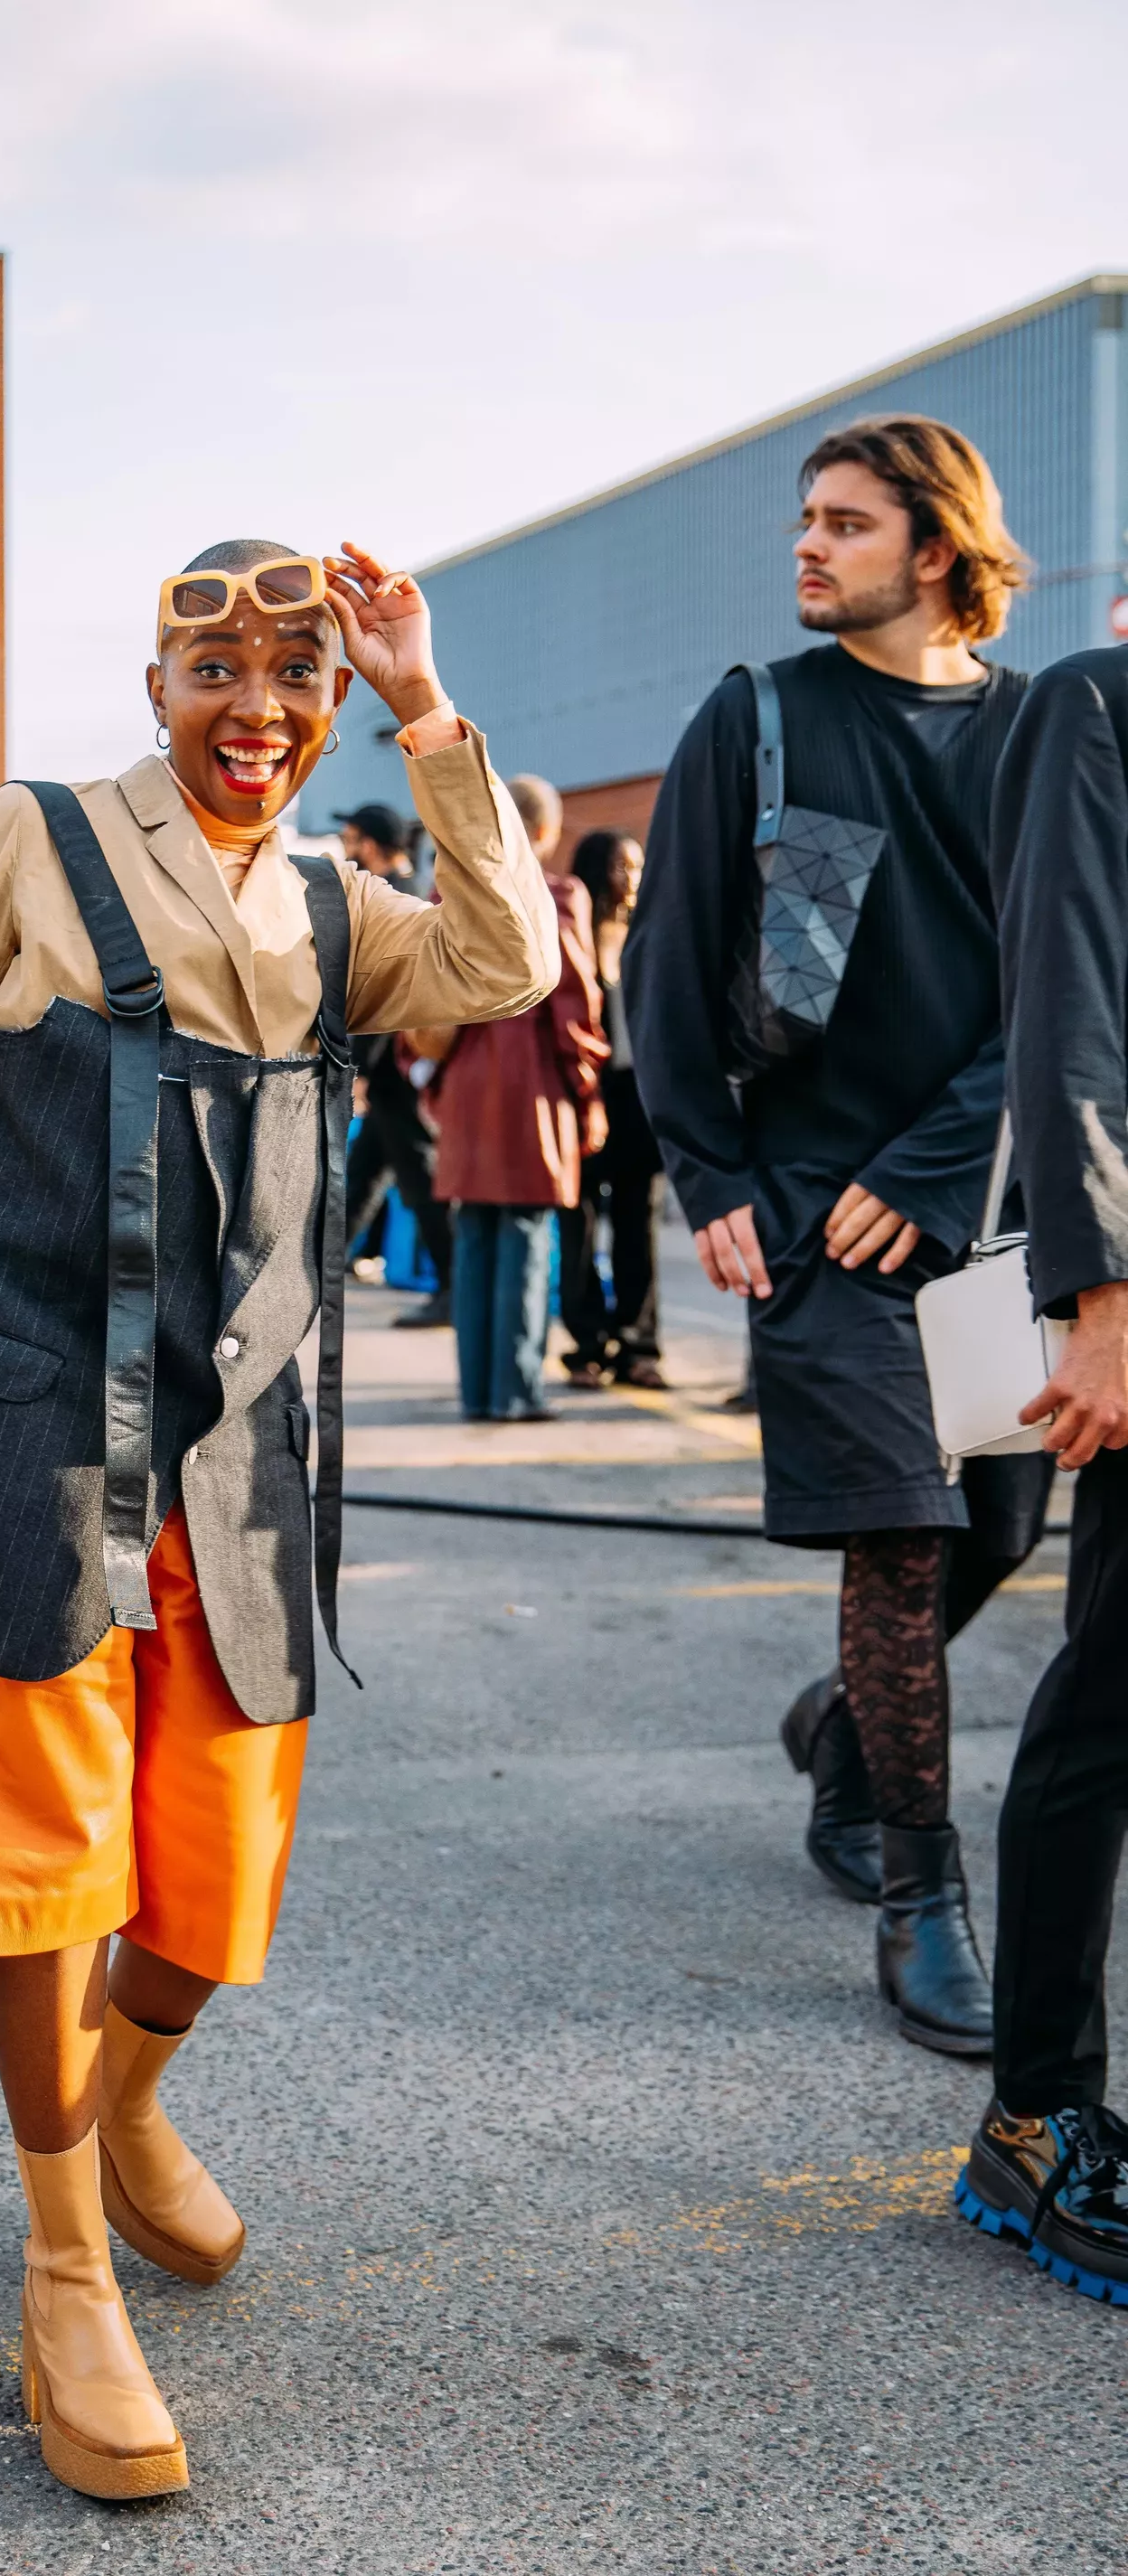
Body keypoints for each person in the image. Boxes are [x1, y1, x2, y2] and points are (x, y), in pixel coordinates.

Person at [0, 539, 559, 2500]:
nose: (257, 713)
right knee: (43, 1866)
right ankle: (61, 2269)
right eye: (219, 679)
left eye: (293, 682)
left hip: (232, 1445)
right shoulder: (33, 841)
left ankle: (125, 2116)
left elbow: (510, 969)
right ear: (153, 690)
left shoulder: (331, 896)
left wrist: (422, 706)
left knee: (207, 1887)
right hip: (7, 1410)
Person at [624, 415, 1052, 2055]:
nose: (807, 546)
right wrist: (714, 1180)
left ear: (935, 550)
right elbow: (669, 966)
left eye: (845, 524)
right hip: (813, 1217)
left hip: (986, 1208)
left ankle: (843, 1724)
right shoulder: (760, 718)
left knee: (1004, 1532)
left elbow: (1067, 987)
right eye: (806, 519)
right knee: (907, 1536)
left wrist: (945, 1165)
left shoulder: (1039, 734)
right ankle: (920, 1898)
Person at [953, 641, 1128, 2301]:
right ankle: (1036, 2113)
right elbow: (1065, 1009)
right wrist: (1102, 1296)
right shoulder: (1098, 703)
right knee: (1116, 1685)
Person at [432, 773, 606, 1421]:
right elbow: (573, 1005)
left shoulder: (450, 891)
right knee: (528, 1239)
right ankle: (517, 1389)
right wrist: (588, 1092)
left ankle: (478, 1390)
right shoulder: (558, 893)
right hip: (531, 1089)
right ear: (546, 830)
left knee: (475, 1236)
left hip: (464, 1089)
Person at [337, 801, 454, 1324]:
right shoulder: (395, 894)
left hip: (394, 1070)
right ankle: (310, 1272)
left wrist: (359, 1071)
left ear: (372, 844)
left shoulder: (396, 900)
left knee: (419, 1179)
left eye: (351, 839)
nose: (345, 849)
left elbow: (385, 1000)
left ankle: (455, 1286)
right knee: (365, 1176)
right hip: (390, 1072)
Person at [558, 832, 666, 1390]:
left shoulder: (645, 935)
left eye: (639, 867)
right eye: (623, 866)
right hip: (583, 1095)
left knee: (637, 1223)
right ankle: (587, 1345)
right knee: (577, 1225)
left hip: (637, 1099)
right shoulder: (569, 934)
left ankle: (640, 1345)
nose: (632, 879)